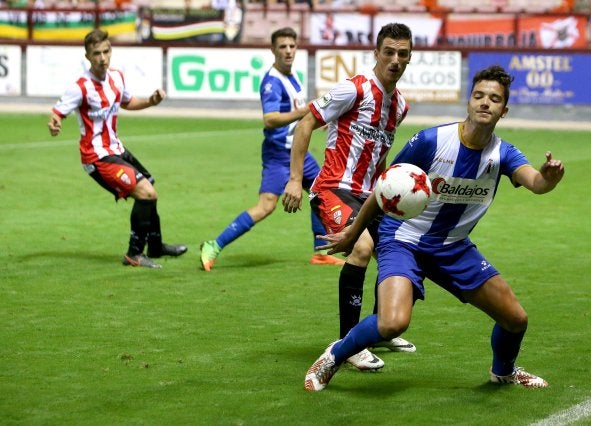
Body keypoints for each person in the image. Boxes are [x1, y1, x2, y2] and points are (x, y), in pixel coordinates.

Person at [303, 65, 566, 391]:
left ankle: (504, 371)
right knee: (393, 323)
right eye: (479, 96)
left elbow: (535, 182)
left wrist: (548, 179)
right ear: (468, 102)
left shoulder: (503, 154)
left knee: (516, 320)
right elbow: (385, 187)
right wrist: (354, 231)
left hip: (453, 246)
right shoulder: (431, 140)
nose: (485, 103)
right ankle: (335, 354)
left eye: (494, 99)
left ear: (504, 110)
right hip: (404, 239)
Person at [282, 22, 417, 372]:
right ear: (376, 53)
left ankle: (380, 327)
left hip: (372, 196)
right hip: (334, 188)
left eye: (403, 54)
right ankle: (349, 343)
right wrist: (295, 179)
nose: (395, 59)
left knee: (397, 248)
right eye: (389, 52)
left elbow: (380, 154)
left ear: (409, 58)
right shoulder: (352, 89)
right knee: (361, 248)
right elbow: (305, 123)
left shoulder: (400, 105)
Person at [199, 27, 344, 272]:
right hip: (279, 154)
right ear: (273, 50)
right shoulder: (272, 82)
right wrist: (307, 111)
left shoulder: (293, 75)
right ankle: (214, 244)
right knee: (266, 206)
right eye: (283, 47)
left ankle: (320, 253)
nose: (288, 51)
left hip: (299, 151)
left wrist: (315, 119)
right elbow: (270, 119)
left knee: (322, 190)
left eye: (291, 46)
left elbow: (302, 113)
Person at [47, 29, 187, 269]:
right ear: (88, 56)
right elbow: (57, 113)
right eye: (97, 53)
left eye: (106, 51)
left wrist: (150, 101)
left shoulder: (117, 77)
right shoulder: (81, 87)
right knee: (146, 194)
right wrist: (55, 123)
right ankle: (134, 253)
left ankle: (155, 246)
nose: (102, 58)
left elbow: (127, 101)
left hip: (116, 148)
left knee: (149, 187)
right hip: (96, 157)